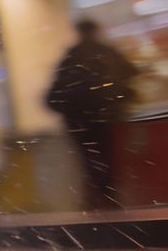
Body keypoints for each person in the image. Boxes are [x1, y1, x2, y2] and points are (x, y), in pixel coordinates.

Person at [47, 19, 138, 211]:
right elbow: (131, 71)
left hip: (78, 121)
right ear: (95, 31)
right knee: (107, 155)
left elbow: (58, 89)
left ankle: (97, 197)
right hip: (104, 117)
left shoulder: (72, 55)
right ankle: (108, 195)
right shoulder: (106, 52)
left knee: (87, 159)